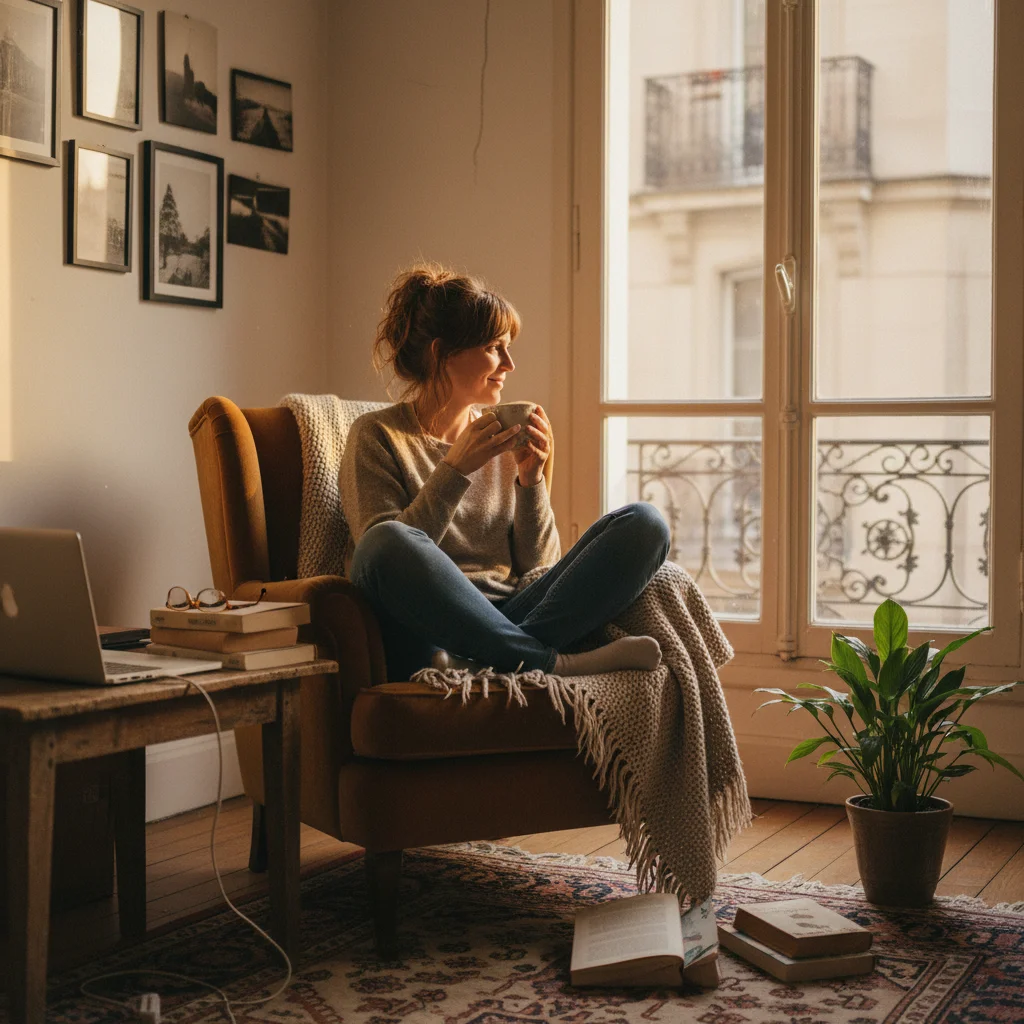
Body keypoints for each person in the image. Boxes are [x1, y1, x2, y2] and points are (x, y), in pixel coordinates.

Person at [340, 263, 671, 681]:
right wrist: (455, 469)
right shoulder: (377, 436)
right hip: (432, 630)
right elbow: (382, 568)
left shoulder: (502, 439)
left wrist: (531, 481)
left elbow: (541, 565)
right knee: (383, 541)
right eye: (495, 347)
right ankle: (549, 663)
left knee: (645, 523)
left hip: (514, 614)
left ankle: (489, 659)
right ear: (441, 354)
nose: (510, 363)